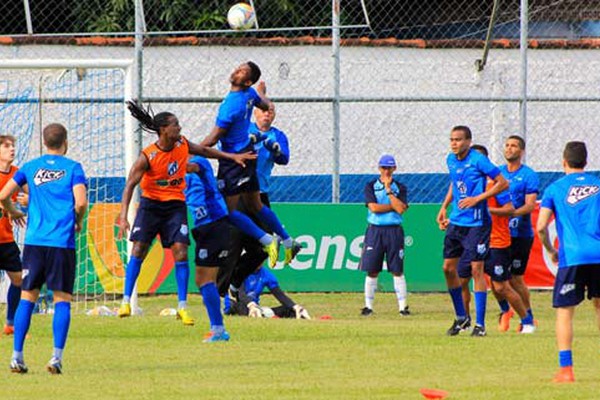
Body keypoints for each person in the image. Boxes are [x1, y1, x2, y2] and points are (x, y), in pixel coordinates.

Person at [116, 101, 255, 323]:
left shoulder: (182, 144)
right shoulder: (147, 156)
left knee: (180, 251)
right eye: (175, 125)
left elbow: (205, 150)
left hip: (175, 207)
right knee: (139, 249)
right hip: (151, 206)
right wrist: (123, 216)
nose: (179, 128)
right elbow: (130, 185)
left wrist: (232, 157)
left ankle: (182, 306)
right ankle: (125, 301)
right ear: (164, 130)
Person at [0, 123, 87, 374]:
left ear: (44, 142)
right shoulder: (73, 168)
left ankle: (17, 357)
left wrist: (14, 211)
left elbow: (4, 194)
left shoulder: (29, 167)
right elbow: (80, 202)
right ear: (65, 142)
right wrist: (77, 221)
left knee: (28, 296)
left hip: (34, 243)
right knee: (62, 299)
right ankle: (55, 358)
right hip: (61, 243)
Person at [200, 62, 295, 268]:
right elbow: (264, 105)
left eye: (242, 71)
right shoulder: (250, 93)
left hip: (235, 163)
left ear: (247, 81)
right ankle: (288, 241)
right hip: (248, 155)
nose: (236, 71)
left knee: (226, 211)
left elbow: (214, 138)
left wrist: (191, 150)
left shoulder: (230, 107)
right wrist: (261, 94)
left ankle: (268, 241)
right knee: (255, 205)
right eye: (238, 67)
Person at [537, 141, 600, 383]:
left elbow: (541, 226)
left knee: (565, 311)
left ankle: (566, 370)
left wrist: (551, 250)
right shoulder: (598, 185)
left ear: (564, 161)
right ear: (585, 161)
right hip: (598, 254)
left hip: (572, 257)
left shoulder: (555, 189)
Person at [436, 126, 508, 337]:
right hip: (457, 222)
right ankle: (461, 317)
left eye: (458, 140)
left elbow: (502, 183)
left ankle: (480, 325)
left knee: (477, 270)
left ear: (468, 141)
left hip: (477, 224)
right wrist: (444, 207)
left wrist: (478, 199)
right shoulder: (451, 159)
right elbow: (455, 183)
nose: (454, 143)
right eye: (451, 139)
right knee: (448, 268)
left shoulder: (478, 160)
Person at [456, 145, 535, 334]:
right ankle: (465, 320)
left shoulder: (496, 184)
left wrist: (486, 209)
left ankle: (528, 321)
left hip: (496, 241)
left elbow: (509, 210)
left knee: (501, 286)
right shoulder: (467, 183)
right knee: (461, 280)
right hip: (473, 239)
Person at [185, 156, 231, 342]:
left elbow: (191, 167)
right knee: (206, 280)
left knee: (204, 279)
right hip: (206, 228)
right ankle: (218, 328)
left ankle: (218, 329)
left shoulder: (199, 162)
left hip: (213, 224)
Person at [496, 135, 540, 331]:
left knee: (515, 278)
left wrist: (510, 213)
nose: (509, 149)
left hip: (520, 235)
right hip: (499, 234)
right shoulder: (497, 174)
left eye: (513, 146)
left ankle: (528, 316)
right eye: (507, 145)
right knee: (495, 277)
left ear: (521, 151)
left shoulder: (529, 175)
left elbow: (530, 205)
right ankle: (506, 310)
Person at [359, 154, 409, 317]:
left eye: (389, 168)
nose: (386, 171)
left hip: (394, 230)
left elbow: (401, 209)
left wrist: (388, 191)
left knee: (397, 270)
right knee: (372, 270)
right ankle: (368, 306)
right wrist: (393, 206)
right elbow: (373, 208)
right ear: (379, 168)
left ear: (394, 168)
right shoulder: (370, 186)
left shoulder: (400, 187)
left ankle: (403, 307)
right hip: (376, 230)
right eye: (384, 168)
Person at [223, 266, 310, 319]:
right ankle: (263, 314)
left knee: (288, 310)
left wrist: (295, 306)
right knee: (235, 306)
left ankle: (263, 314)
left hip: (257, 309)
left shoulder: (266, 274)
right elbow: (241, 295)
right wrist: (251, 305)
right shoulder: (239, 271)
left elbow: (279, 295)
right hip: (240, 304)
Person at [0, 135, 23, 336]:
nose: (12, 149)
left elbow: (31, 194)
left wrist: (26, 200)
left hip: (7, 240)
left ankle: (10, 323)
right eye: (6, 146)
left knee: (18, 280)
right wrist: (8, 207)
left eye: (13, 146)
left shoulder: (17, 174)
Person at [248, 103, 290, 208]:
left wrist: (276, 151)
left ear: (274, 115)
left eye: (270, 111)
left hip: (261, 190)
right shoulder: (245, 129)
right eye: (263, 110)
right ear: (255, 113)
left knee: (264, 222)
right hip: (239, 188)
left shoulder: (278, 135)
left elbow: (284, 159)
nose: (266, 114)